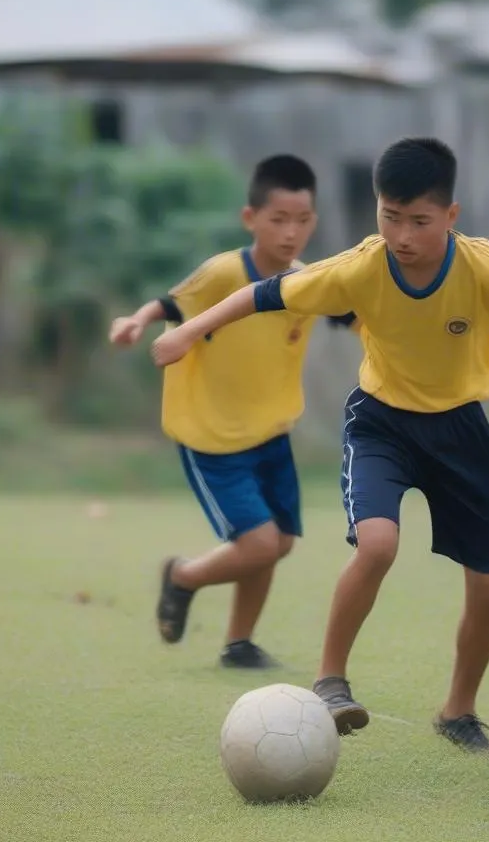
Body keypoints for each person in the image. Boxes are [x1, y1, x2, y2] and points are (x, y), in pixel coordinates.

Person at [150, 136, 489, 752]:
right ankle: (330, 681)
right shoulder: (363, 264)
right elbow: (263, 294)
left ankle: (458, 710)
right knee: (377, 544)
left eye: (419, 222)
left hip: (461, 432)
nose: (402, 235)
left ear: (451, 217)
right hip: (381, 423)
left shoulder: (484, 265)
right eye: (390, 217)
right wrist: (187, 334)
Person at [109, 154, 354, 669]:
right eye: (278, 220)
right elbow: (172, 303)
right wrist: (136, 321)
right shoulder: (224, 273)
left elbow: (354, 314)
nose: (291, 233)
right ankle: (182, 576)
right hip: (212, 436)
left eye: (303, 221)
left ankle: (238, 643)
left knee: (278, 542)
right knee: (260, 542)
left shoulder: (306, 281)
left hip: (272, 432)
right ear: (251, 219)